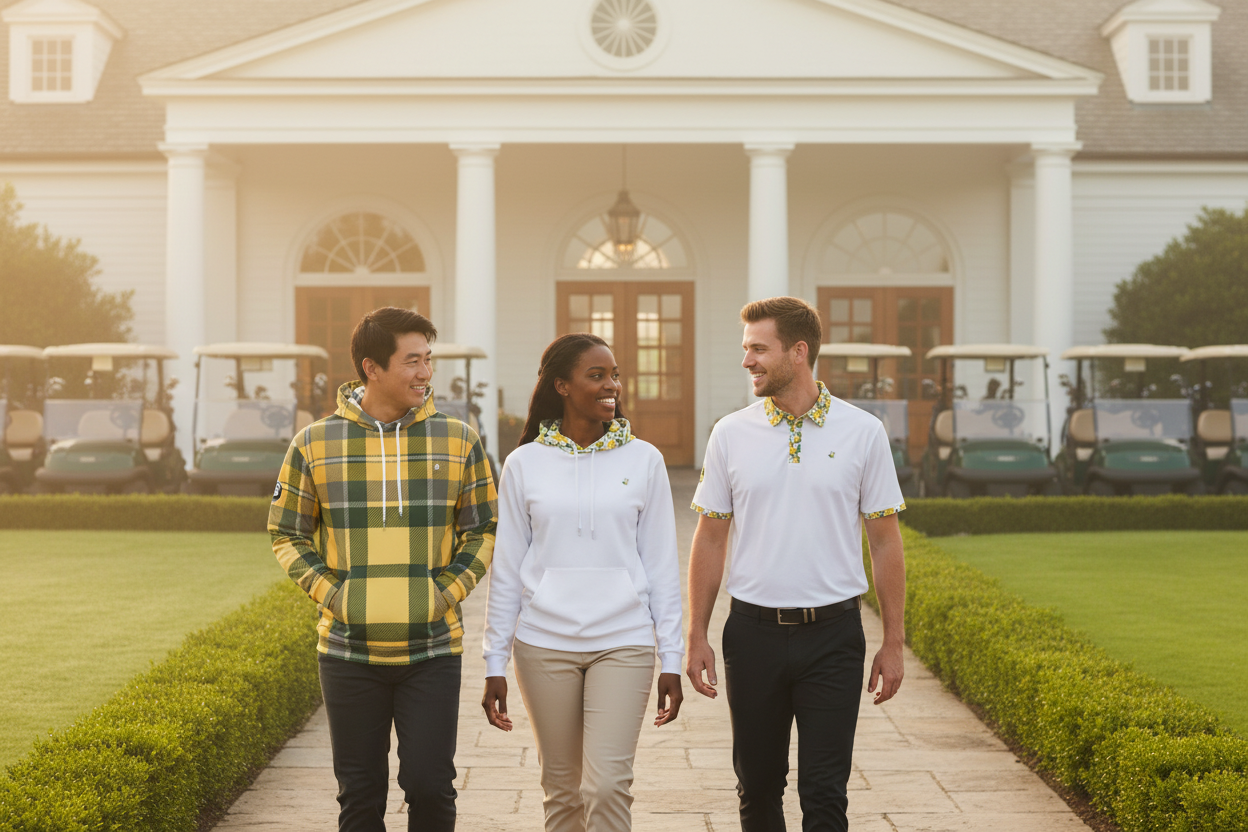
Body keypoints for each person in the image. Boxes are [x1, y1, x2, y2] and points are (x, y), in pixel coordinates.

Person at [269, 306, 497, 832]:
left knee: (430, 787)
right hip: (347, 652)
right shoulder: (313, 443)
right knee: (360, 794)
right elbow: (286, 532)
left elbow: (482, 529)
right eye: (412, 360)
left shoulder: (459, 440)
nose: (425, 373)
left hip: (433, 650)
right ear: (372, 368)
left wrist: (442, 595)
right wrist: (336, 595)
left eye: (428, 359)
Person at [685, 297, 907, 832]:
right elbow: (710, 539)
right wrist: (696, 633)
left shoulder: (863, 432)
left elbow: (884, 542)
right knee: (757, 788)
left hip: (834, 637)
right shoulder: (730, 434)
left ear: (799, 352)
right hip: (752, 635)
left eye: (758, 349)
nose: (747, 361)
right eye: (746, 349)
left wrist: (894, 641)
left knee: (825, 792)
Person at [481, 332, 685, 832]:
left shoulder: (645, 460)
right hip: (543, 644)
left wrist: (672, 658)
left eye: (614, 375)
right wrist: (494, 661)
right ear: (562, 386)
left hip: (624, 642)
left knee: (608, 786)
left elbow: (661, 564)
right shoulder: (524, 463)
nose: (611, 385)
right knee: (563, 791)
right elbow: (506, 567)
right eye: (597, 375)